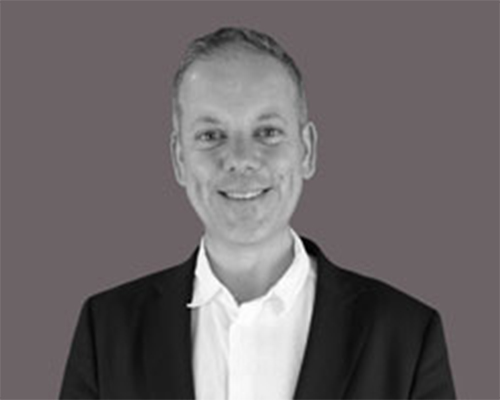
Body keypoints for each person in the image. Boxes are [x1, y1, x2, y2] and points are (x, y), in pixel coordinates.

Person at [59, 27, 456, 399]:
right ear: (179, 159)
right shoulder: (106, 331)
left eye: (267, 132)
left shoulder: (406, 336)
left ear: (307, 150)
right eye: (211, 135)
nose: (240, 158)